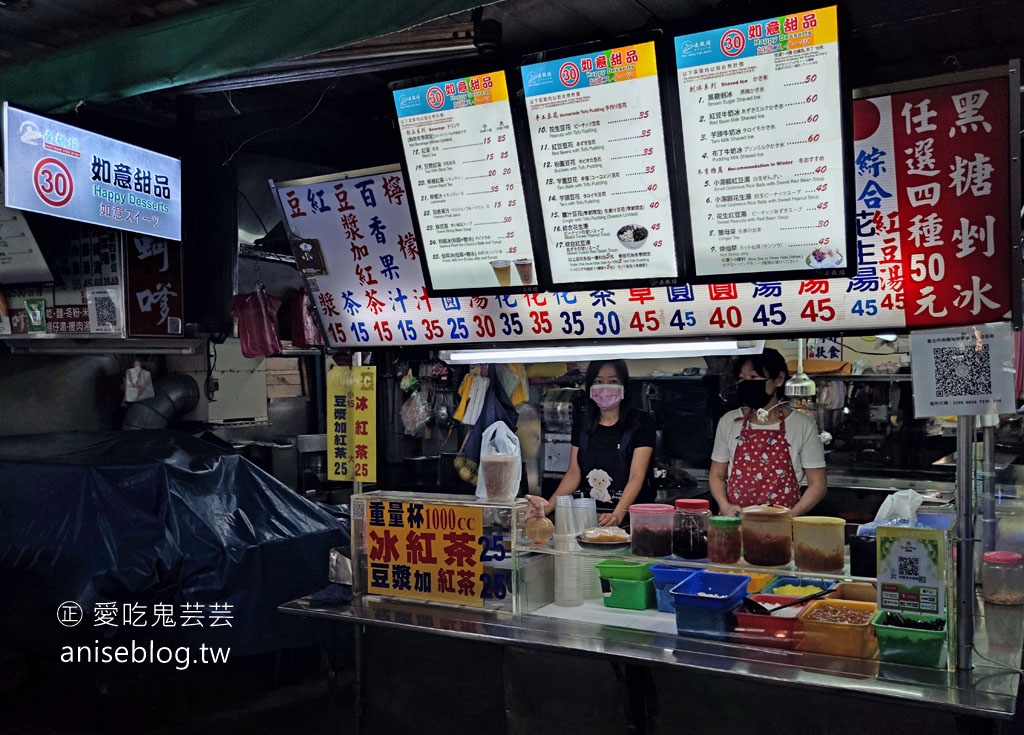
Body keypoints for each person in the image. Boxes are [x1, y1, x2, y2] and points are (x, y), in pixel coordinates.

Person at [709, 348, 826, 517]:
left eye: (754, 377)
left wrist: (790, 515)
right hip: (737, 523)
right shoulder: (729, 422)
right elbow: (716, 474)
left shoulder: (802, 425)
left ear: (778, 379)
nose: (746, 383)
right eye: (742, 379)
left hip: (784, 526)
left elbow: (818, 484)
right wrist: (725, 506)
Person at [546, 360, 656, 527]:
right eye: (598, 382)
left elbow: (636, 477)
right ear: (590, 387)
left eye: (613, 381)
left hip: (631, 521)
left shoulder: (642, 422)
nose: (605, 387)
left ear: (624, 386)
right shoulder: (583, 422)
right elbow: (574, 473)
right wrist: (546, 508)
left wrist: (616, 516)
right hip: (588, 518)